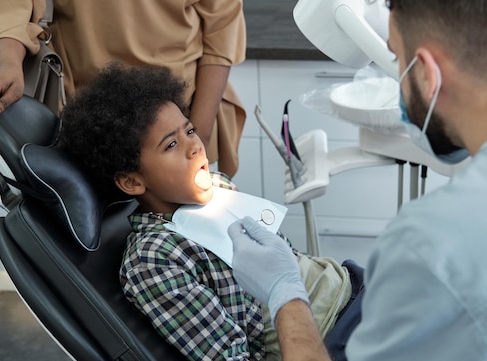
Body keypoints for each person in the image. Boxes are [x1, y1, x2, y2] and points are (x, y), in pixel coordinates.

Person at [228, 0, 487, 360]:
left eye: (396, 57)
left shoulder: (434, 245)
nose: (396, 73)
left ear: (428, 73)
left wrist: (285, 295)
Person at [59, 61, 365, 361]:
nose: (194, 147)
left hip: (353, 284)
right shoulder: (155, 258)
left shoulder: (219, 186)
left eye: (189, 131)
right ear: (132, 181)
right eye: (170, 145)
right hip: (331, 337)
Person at [0, 0, 246, 177]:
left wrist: (196, 137)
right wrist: (7, 63)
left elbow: (220, 37)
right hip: (83, 130)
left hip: (178, 124)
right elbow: (10, 2)